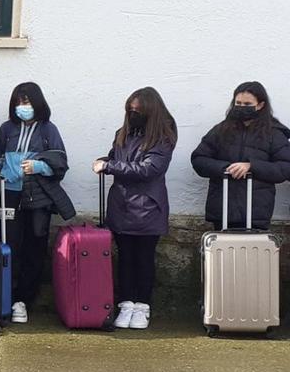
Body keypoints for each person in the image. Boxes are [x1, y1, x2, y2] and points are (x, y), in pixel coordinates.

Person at [0, 83, 75, 324]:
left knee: (34, 248)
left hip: (38, 197)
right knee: (8, 245)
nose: (22, 107)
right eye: (18, 102)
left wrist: (39, 167)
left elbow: (60, 164)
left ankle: (24, 299)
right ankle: (6, 297)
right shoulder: (6, 129)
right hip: (10, 194)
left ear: (37, 103)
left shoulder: (48, 130)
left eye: (26, 102)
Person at [94, 86, 177, 330]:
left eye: (138, 110)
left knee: (144, 258)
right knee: (125, 258)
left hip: (147, 207)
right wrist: (105, 161)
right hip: (121, 205)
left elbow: (148, 169)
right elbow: (117, 158)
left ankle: (143, 305)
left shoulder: (163, 137)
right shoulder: (123, 133)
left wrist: (110, 167)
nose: (133, 114)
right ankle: (126, 304)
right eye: (130, 110)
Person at [191, 81, 290, 231]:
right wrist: (225, 168)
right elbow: (199, 159)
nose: (242, 107)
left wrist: (252, 166)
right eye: (238, 103)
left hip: (257, 211)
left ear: (260, 105)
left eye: (247, 104)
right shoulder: (221, 130)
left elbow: (285, 167)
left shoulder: (274, 134)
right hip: (223, 209)